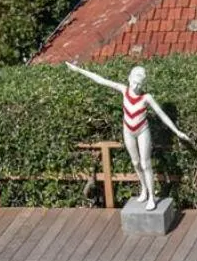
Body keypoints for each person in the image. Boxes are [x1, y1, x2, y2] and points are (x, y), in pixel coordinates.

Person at [64, 62, 190, 209]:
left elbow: (162, 115)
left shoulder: (146, 97)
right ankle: (143, 188)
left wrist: (177, 132)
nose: (136, 86)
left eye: (140, 84)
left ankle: (152, 197)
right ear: (129, 78)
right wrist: (77, 69)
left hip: (142, 130)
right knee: (135, 163)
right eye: (135, 82)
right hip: (128, 131)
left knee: (145, 163)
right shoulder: (124, 90)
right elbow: (101, 80)